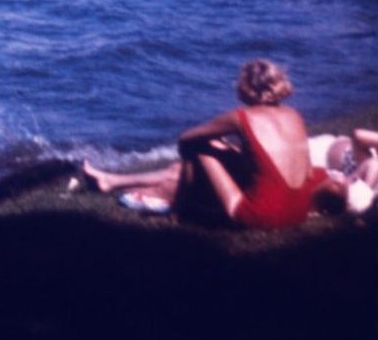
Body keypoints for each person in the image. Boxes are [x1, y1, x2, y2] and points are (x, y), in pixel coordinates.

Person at [83, 60, 326, 229]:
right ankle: (111, 181)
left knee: (196, 148)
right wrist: (231, 151)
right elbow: (299, 169)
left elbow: (186, 138)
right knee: (194, 162)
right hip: (298, 211)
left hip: (260, 215)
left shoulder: (241, 117)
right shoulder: (294, 115)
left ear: (246, 88)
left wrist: (217, 144)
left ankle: (180, 212)